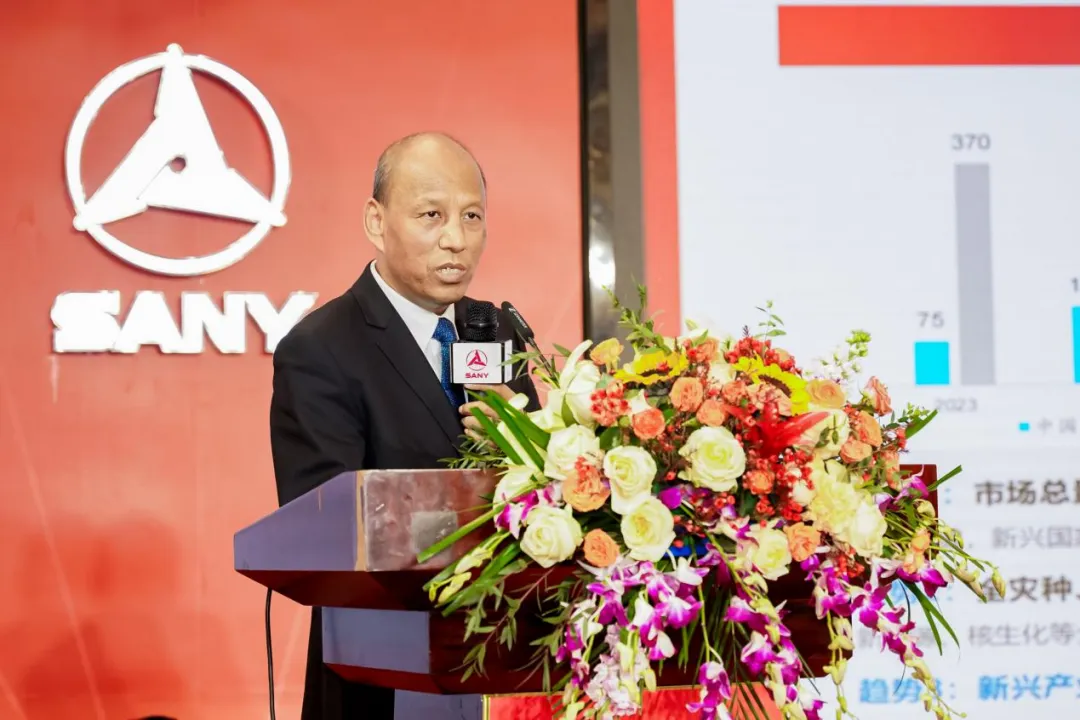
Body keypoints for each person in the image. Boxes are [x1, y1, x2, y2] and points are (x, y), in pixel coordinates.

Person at [269, 132, 540, 720]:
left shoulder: (496, 332)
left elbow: (547, 496)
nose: (456, 239)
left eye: (472, 217)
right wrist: (466, 514)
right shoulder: (321, 348)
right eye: (431, 215)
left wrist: (526, 447)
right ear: (376, 221)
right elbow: (328, 528)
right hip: (380, 676)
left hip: (507, 662)